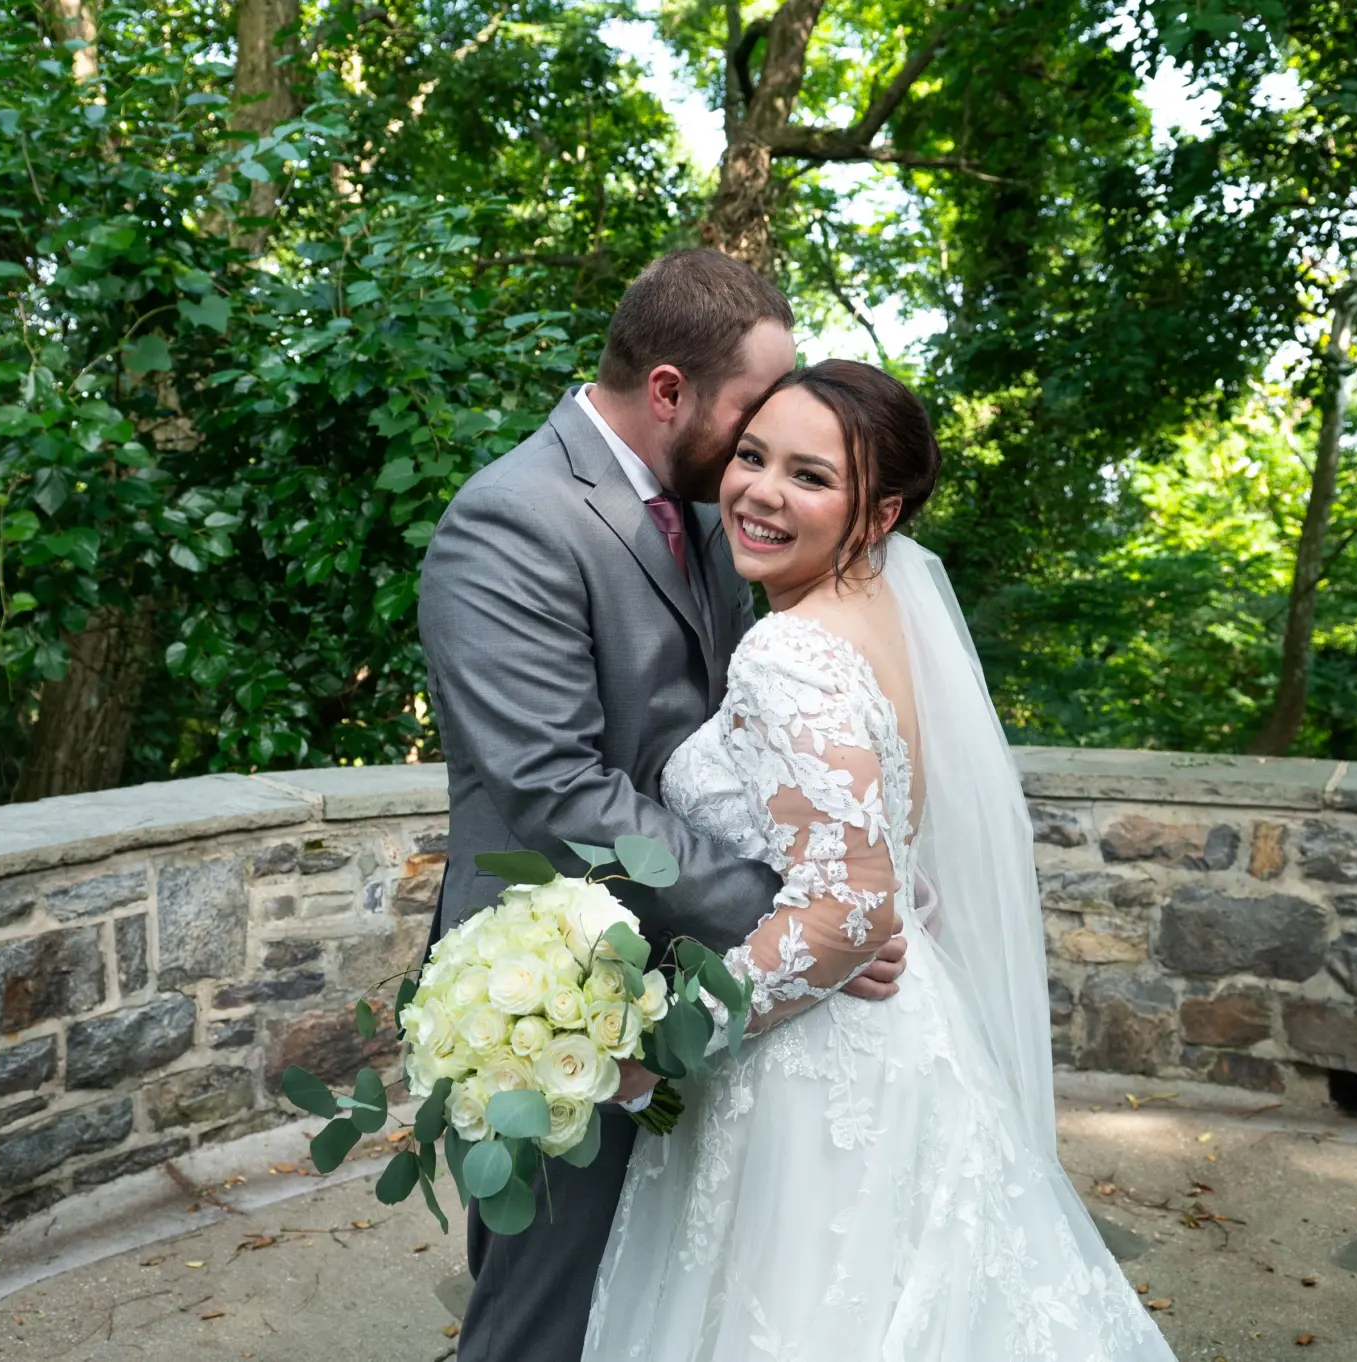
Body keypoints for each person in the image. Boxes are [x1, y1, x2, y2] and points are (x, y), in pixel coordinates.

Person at [581, 361, 1176, 1361]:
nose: (761, 491)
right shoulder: (883, 621)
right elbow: (876, 852)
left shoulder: (788, 653)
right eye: (753, 457)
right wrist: (886, 897)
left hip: (812, 1070)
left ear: (877, 511)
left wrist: (663, 1047)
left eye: (810, 478)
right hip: (895, 1039)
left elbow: (847, 911)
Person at [418, 254, 910, 1362]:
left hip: (702, 1002)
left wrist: (837, 881)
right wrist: (796, 912)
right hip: (558, 993)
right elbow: (558, 788)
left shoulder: (713, 522)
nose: (763, 452)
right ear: (673, 392)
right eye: (752, 416)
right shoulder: (510, 520)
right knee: (539, 1320)